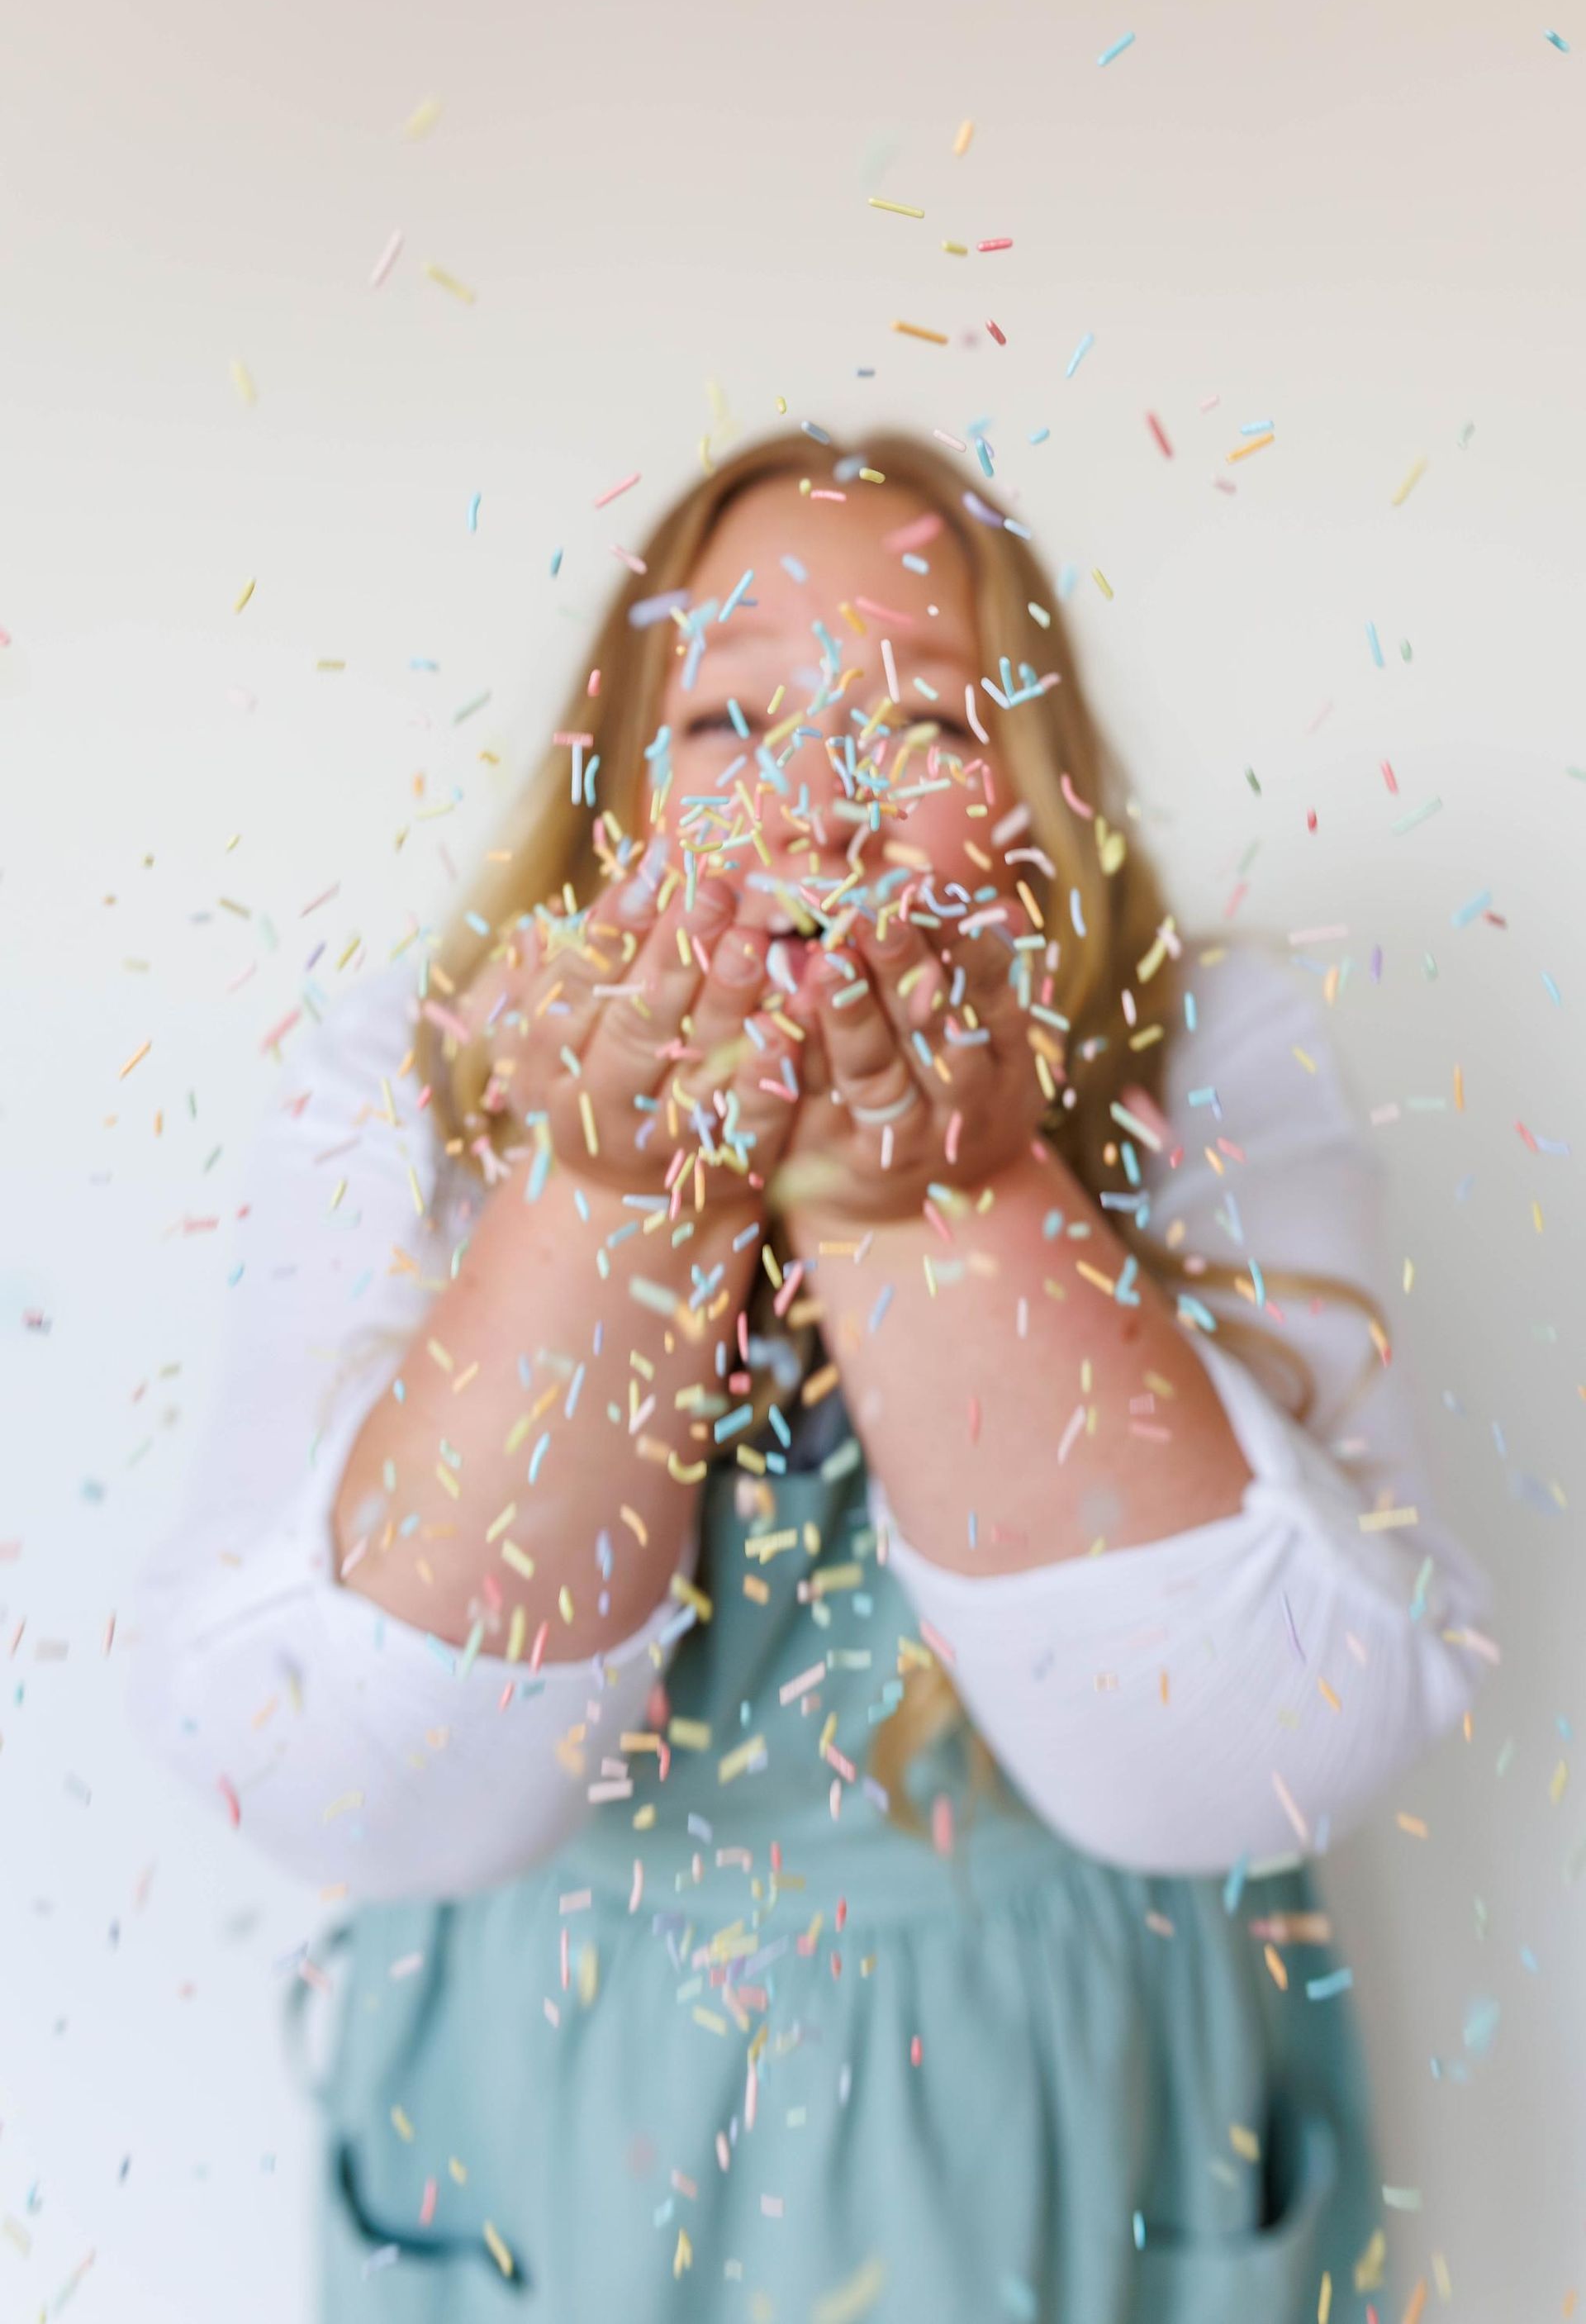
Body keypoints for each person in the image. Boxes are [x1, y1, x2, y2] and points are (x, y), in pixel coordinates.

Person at [128, 430, 1491, 2322]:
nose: (818, 804)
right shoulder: (420, 1083)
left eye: (926, 725)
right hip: (562, 2123)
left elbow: (1269, 1737)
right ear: (615, 801)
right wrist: (617, 1199)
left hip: (1082, 2112)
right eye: (728, 721)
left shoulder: (1206, 1053)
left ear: (1043, 808)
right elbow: (340, 1778)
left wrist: (937, 1201)